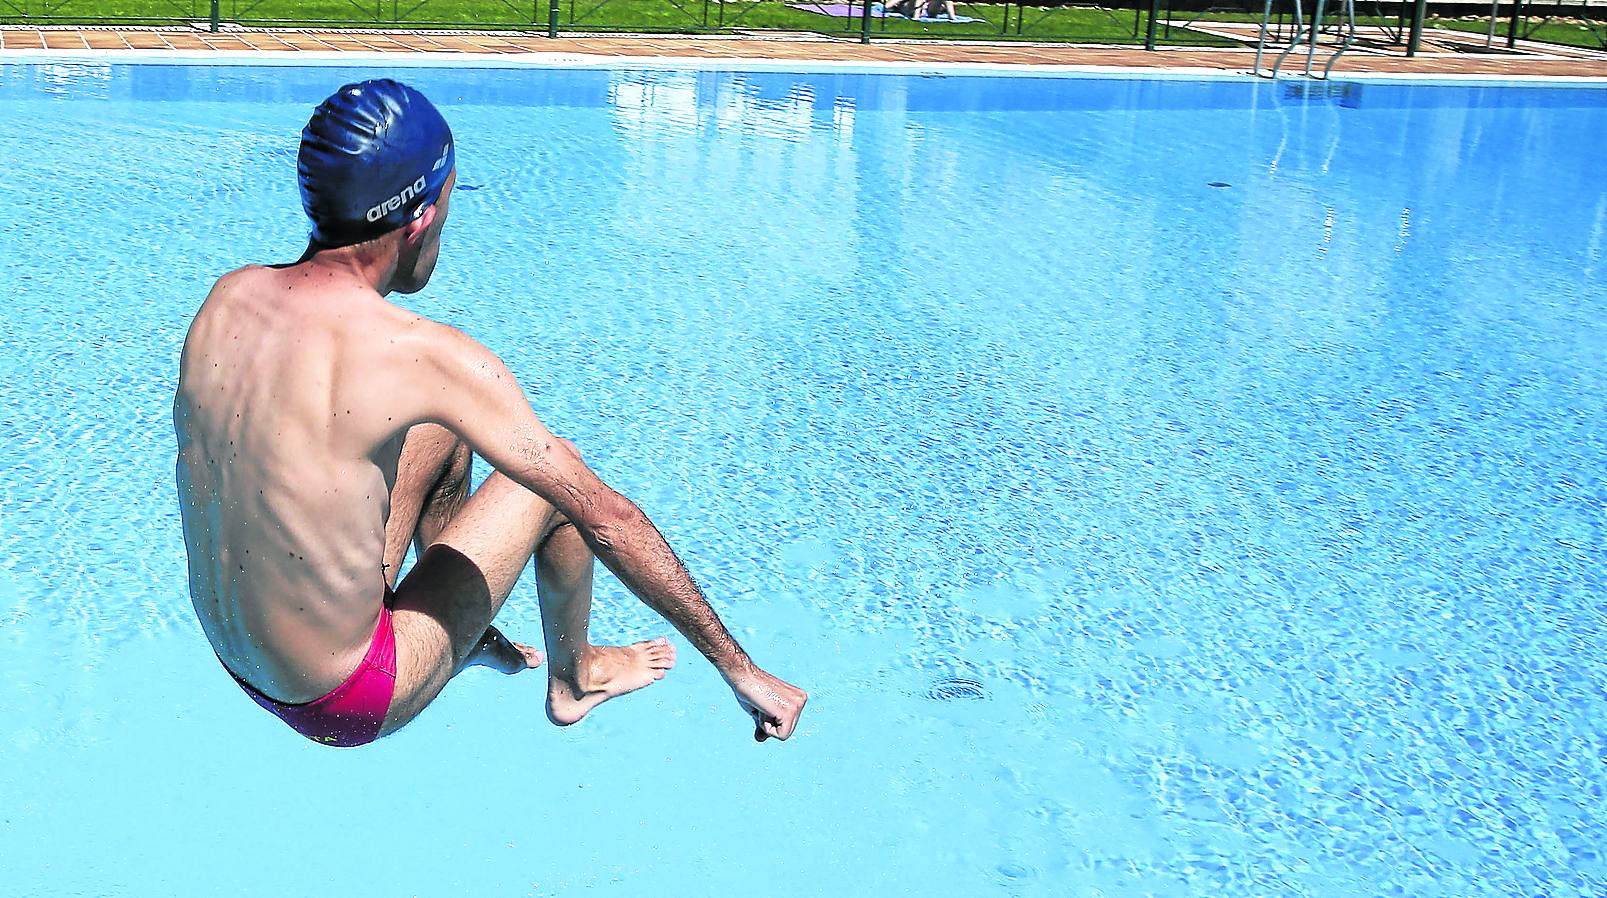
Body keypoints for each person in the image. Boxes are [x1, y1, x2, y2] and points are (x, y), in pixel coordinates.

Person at [173, 79, 807, 749]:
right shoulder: (418, 355)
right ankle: (576, 677)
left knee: (441, 428)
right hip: (345, 694)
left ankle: (463, 628)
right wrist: (742, 669)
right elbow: (607, 516)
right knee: (550, 485)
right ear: (420, 213)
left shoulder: (230, 299)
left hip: (239, 653)